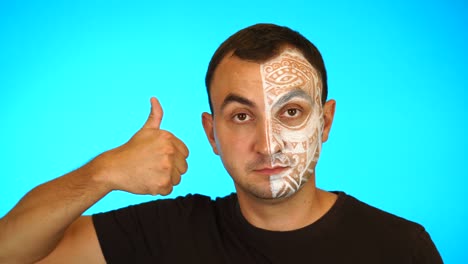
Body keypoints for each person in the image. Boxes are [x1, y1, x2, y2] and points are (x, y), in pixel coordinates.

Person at [0, 23, 443, 264]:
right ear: (212, 133)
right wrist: (101, 174)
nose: (268, 145)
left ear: (325, 122)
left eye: (291, 113)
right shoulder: (164, 234)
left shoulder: (400, 246)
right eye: (242, 116)